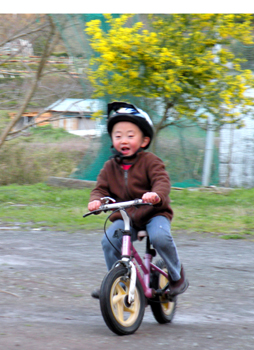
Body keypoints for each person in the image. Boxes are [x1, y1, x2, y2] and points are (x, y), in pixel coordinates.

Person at [88, 101, 189, 299]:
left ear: (143, 141)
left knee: (160, 237)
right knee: (109, 240)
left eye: (130, 135)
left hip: (153, 213)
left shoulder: (150, 161)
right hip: (125, 217)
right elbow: (100, 189)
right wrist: (96, 201)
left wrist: (155, 195)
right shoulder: (110, 167)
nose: (123, 140)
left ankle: (177, 276)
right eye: (118, 136)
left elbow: (162, 181)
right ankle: (116, 281)